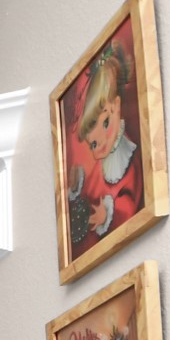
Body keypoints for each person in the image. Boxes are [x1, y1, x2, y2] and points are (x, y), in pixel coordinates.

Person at [68, 40, 143, 249]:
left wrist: (110, 213)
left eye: (106, 123)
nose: (98, 148)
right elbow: (93, 190)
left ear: (116, 107)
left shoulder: (126, 157)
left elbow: (130, 204)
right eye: (93, 144)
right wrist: (75, 188)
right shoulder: (103, 164)